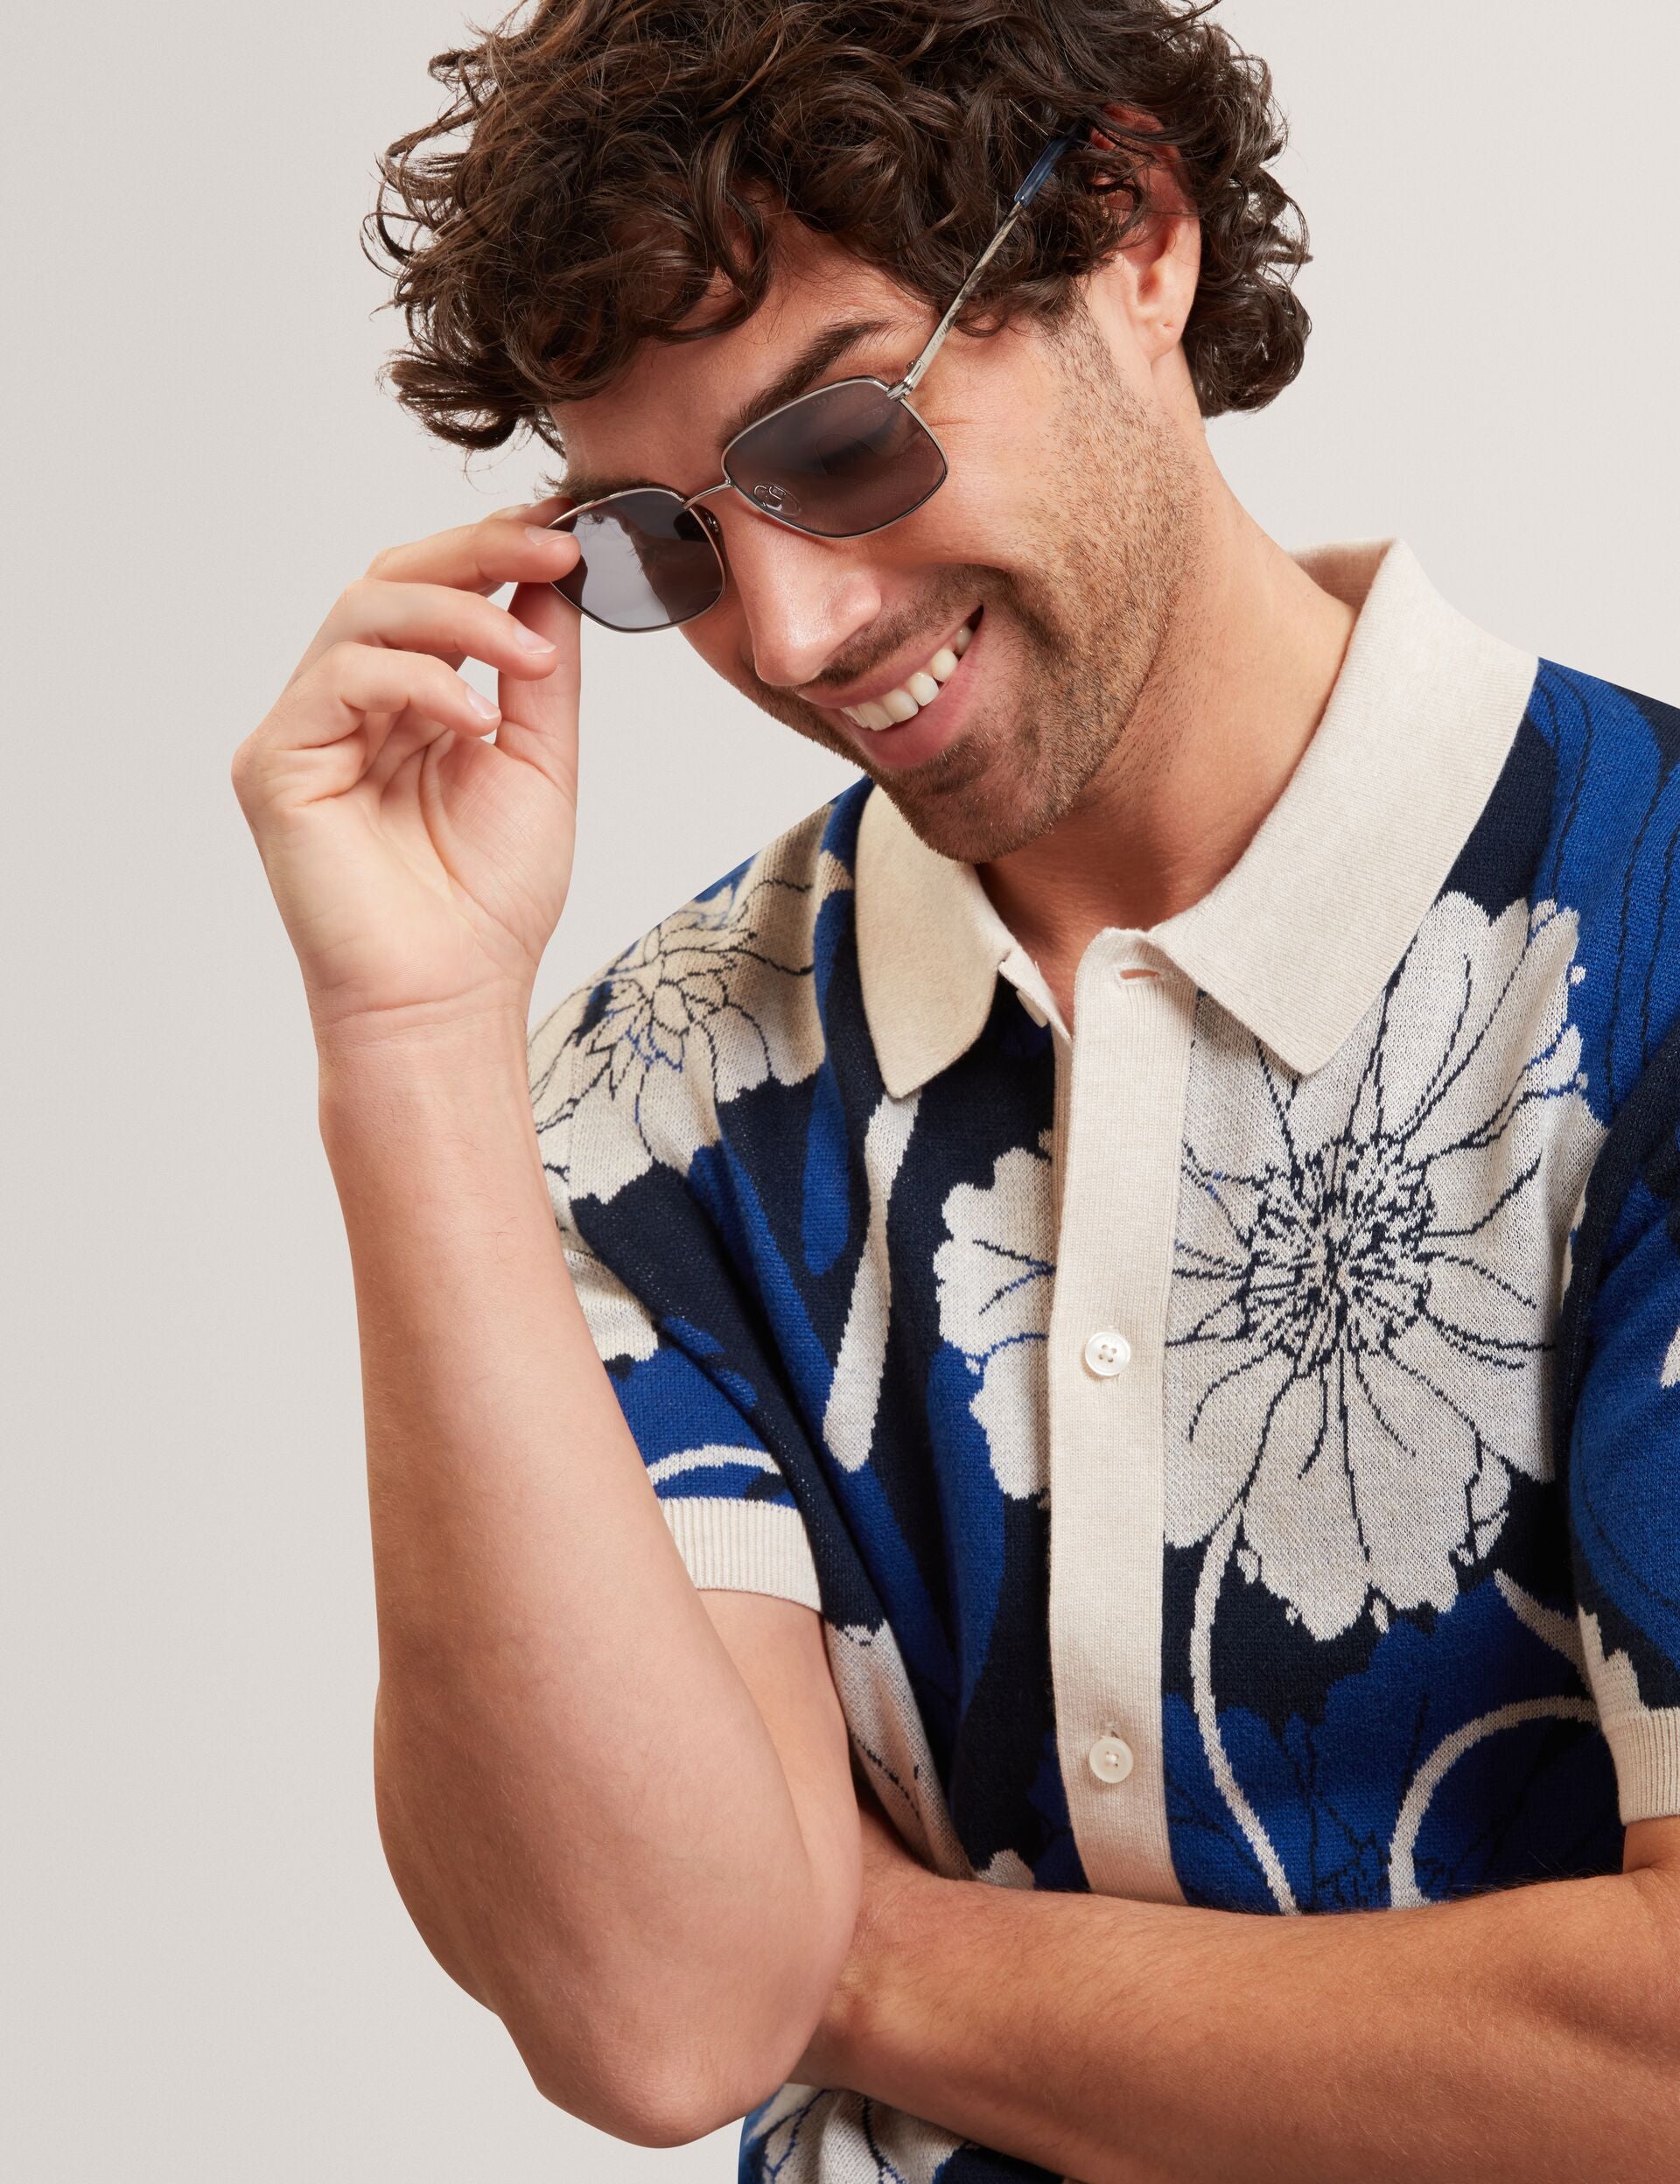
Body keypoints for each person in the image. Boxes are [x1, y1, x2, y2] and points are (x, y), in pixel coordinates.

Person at [232, 3, 1680, 2176]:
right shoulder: (662, 1083)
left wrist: (866, 1957)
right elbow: (656, 2015)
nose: (791, 630)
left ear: (1134, 229)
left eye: (839, 442)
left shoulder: (1651, 929)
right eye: (667, 545)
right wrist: (412, 1041)